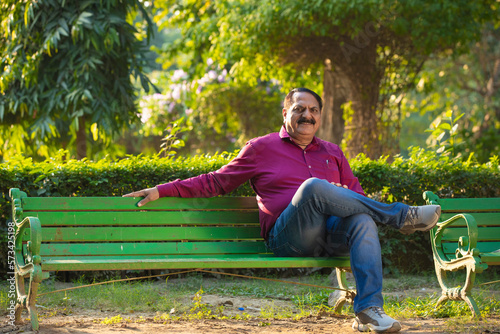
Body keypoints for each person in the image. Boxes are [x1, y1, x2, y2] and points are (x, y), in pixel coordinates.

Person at [124, 87, 440, 333]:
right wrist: (162, 190)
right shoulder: (260, 148)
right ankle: (402, 217)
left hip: (331, 236)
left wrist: (346, 196)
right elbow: (216, 182)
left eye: (314, 110)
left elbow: (356, 195)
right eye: (299, 109)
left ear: (320, 116)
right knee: (314, 187)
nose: (307, 115)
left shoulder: (333, 152)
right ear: (285, 112)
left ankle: (371, 311)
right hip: (288, 237)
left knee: (361, 219)